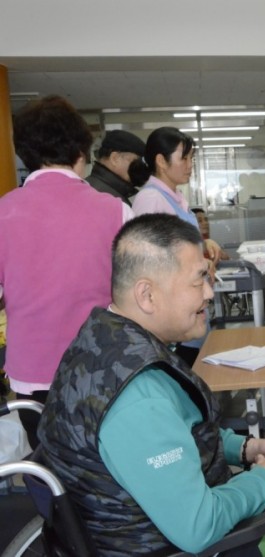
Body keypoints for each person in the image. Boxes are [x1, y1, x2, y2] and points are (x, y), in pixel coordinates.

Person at [37, 213, 265, 557]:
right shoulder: (137, 398)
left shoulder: (106, 340)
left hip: (155, 522)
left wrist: (245, 448)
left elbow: (177, 433)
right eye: (198, 279)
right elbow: (198, 527)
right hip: (181, 546)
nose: (209, 293)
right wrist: (264, 480)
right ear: (147, 295)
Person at [0, 95, 133, 448]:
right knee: (109, 463)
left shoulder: (3, 212)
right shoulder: (117, 212)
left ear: (24, 153)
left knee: (50, 465)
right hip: (103, 368)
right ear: (81, 152)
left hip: (32, 375)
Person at [132, 126, 222, 364]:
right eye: (184, 158)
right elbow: (147, 260)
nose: (190, 165)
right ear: (161, 161)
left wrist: (203, 244)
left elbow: (174, 241)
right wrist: (198, 264)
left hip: (190, 307)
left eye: (192, 158)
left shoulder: (176, 197)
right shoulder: (151, 199)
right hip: (172, 316)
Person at [85, 129, 147, 204]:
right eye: (135, 161)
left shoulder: (87, 187)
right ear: (114, 158)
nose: (138, 168)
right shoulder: (109, 199)